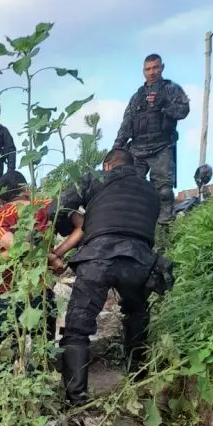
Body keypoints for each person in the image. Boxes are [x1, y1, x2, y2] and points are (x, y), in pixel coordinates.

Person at [49, 149, 164, 405]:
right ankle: (137, 380)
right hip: (139, 261)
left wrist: (75, 226)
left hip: (98, 258)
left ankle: (76, 398)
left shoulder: (95, 177)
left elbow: (56, 208)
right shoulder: (151, 190)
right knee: (137, 313)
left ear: (108, 165)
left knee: (78, 327)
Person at [113, 54, 190, 225]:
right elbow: (126, 124)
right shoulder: (137, 97)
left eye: (155, 67)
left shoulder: (171, 89)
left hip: (161, 147)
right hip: (137, 151)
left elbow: (183, 111)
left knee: (164, 192)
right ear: (143, 71)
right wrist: (116, 149)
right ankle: (135, 231)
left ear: (162, 67)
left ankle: (164, 237)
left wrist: (165, 104)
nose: (152, 72)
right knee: (131, 191)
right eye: (148, 69)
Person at [0, 171, 59, 342]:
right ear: (27, 189)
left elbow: (17, 248)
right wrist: (56, 255)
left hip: (7, 292)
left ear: (0, 199)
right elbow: (82, 225)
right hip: (41, 290)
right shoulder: (48, 205)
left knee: (6, 352)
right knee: (42, 352)